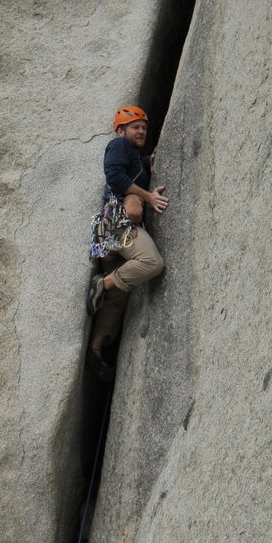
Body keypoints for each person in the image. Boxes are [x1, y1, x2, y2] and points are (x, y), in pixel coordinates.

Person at [85, 106, 169, 380]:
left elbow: (132, 175)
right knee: (151, 263)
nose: (142, 130)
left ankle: (95, 352)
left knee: (118, 296)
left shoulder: (135, 158)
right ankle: (102, 284)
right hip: (117, 222)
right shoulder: (118, 144)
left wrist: (149, 170)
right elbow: (116, 178)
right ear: (121, 130)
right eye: (135, 126)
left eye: (144, 126)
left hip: (111, 230)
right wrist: (147, 195)